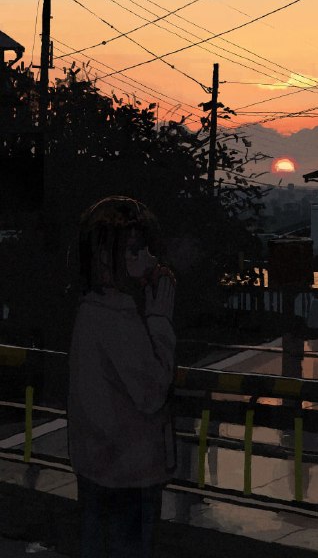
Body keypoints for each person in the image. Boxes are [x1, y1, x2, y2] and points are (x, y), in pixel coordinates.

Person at [67, 196, 177, 558]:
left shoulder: (89, 310)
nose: (148, 258)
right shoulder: (119, 317)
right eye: (134, 250)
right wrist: (160, 320)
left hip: (95, 465)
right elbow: (152, 391)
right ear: (104, 257)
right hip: (130, 473)